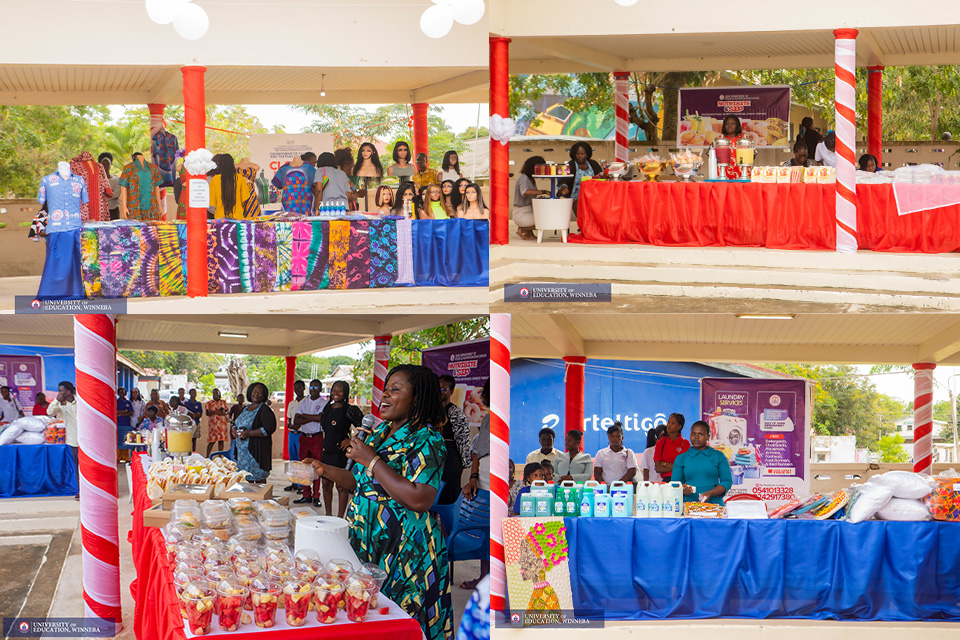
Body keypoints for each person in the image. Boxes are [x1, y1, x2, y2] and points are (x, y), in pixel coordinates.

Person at [301, 364, 454, 640]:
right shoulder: (381, 433)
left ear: (417, 397)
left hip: (406, 548)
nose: (385, 395)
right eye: (385, 389)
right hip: (370, 541)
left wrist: (372, 459)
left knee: (403, 621)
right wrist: (325, 470)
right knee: (368, 615)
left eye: (395, 390)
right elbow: (361, 482)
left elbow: (420, 498)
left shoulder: (428, 439)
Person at [318, 380, 364, 518]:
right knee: (326, 485)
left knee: (341, 486)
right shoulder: (327, 408)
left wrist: (350, 441)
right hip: (327, 452)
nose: (336, 393)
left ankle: (339, 518)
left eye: (340, 391)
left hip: (340, 453)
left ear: (345, 393)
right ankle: (328, 515)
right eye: (334, 390)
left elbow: (365, 430)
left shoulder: (350, 410)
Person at [674, 420, 732, 506]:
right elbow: (675, 484)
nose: (696, 437)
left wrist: (710, 493)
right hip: (688, 506)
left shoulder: (719, 456)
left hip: (714, 506)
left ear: (708, 436)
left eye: (700, 434)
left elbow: (727, 481)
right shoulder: (681, 458)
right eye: (693, 434)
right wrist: (682, 489)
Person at [231, 382, 277, 483]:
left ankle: (261, 499)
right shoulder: (245, 408)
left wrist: (249, 433)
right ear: (250, 393)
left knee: (259, 479)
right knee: (246, 479)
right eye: (255, 391)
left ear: (264, 395)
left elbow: (269, 428)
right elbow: (235, 422)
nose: (257, 394)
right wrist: (234, 430)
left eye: (260, 392)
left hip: (256, 452)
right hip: (242, 453)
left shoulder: (265, 410)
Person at [438, 375, 471, 505]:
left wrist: (462, 464)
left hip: (450, 460)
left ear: (451, 391)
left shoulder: (456, 413)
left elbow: (463, 441)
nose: (439, 392)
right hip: (431, 460)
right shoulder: (428, 412)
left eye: (443, 389)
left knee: (447, 502)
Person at [293, 379, 327, 507]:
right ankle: (306, 495)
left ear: (320, 388)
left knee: (317, 467)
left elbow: (321, 418)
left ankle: (316, 496)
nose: (313, 389)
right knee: (304, 467)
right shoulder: (303, 402)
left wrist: (305, 417)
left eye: (316, 386)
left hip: (316, 438)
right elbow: (296, 421)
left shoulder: (324, 403)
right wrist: (313, 417)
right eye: (311, 386)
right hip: (304, 437)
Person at [47, 382, 79, 500]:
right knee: (77, 466)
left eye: (62, 391)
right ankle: (80, 491)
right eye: (59, 391)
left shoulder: (80, 401)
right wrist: (56, 400)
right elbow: (49, 412)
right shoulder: (60, 405)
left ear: (69, 391)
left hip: (87, 440)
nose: (60, 393)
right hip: (73, 440)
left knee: (89, 465)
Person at [557, 141, 602, 214]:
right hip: (576, 196)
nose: (580, 156)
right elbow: (563, 180)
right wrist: (563, 187)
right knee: (581, 209)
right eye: (577, 154)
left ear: (587, 154)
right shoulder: (570, 165)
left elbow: (601, 177)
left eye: (582, 154)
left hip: (593, 195)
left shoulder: (593, 164)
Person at [118, 152, 163, 221]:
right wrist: (124, 207)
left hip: (152, 207)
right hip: (134, 207)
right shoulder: (128, 168)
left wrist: (159, 206)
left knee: (151, 230)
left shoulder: (153, 168)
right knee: (135, 230)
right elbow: (124, 188)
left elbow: (156, 187)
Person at [514, 155, 548, 241]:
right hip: (522, 212)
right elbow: (524, 192)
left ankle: (528, 231)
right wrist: (543, 192)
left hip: (529, 210)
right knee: (545, 220)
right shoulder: (523, 178)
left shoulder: (531, 179)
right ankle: (524, 229)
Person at [209, 154, 254, 219]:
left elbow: (212, 202)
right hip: (238, 217)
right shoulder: (240, 178)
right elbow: (245, 198)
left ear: (219, 164)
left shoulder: (214, 180)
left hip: (220, 219)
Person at [283, 380, 306, 491]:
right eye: (295, 388)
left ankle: (302, 485)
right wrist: (290, 424)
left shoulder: (307, 402)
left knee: (302, 460)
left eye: (299, 387)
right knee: (293, 460)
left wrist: (298, 425)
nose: (297, 390)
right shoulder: (292, 403)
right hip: (292, 434)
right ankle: (293, 483)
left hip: (302, 434)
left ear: (304, 388)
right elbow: (289, 418)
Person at [654, 412, 689, 483]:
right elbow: (658, 468)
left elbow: (685, 467)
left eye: (673, 423)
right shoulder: (660, 443)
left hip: (682, 480)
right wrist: (677, 467)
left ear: (679, 426)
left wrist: (664, 464)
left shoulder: (685, 443)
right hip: (666, 481)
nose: (669, 425)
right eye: (668, 422)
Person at [205, 388, 230, 457]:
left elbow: (227, 411)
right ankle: (207, 456)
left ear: (219, 394)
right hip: (213, 426)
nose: (215, 395)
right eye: (214, 393)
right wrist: (215, 412)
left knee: (221, 441)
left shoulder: (223, 402)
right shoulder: (209, 403)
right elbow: (207, 413)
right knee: (211, 441)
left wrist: (223, 413)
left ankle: (220, 456)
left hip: (222, 425)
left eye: (216, 393)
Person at [99, 152, 121, 220]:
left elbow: (116, 194)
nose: (106, 166)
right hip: (101, 210)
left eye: (107, 164)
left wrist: (103, 196)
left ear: (110, 165)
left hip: (113, 210)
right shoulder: (97, 179)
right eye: (103, 164)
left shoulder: (116, 179)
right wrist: (109, 195)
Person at [116, 387, 134, 462]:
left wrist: (120, 413)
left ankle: (126, 457)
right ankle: (119, 457)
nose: (122, 393)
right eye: (120, 392)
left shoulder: (128, 402)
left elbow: (131, 412)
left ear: (125, 393)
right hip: (118, 423)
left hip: (126, 423)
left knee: (126, 440)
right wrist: (124, 412)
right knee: (118, 440)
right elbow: (115, 411)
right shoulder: (116, 401)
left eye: (123, 391)